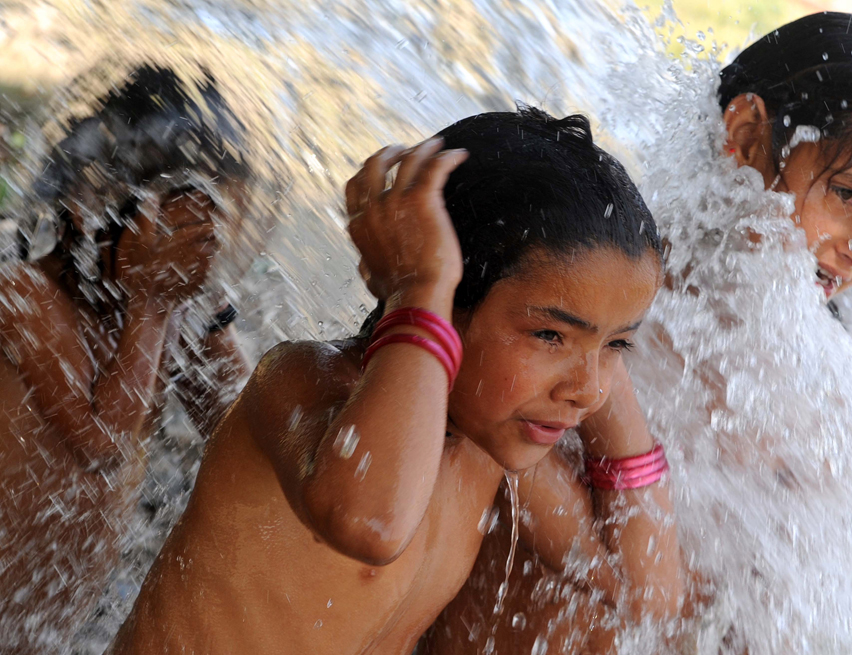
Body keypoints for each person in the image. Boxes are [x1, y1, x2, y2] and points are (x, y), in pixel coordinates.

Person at [423, 12, 852, 655]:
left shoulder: (836, 381)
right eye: (846, 193)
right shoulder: (593, 308)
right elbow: (636, 588)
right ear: (747, 134)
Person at [108, 107, 685, 654]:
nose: (587, 389)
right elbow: (372, 522)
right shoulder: (302, 382)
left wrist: (599, 336)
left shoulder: (489, 452)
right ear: (444, 299)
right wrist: (417, 288)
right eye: (550, 336)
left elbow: (647, 595)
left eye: (618, 346)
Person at [0, 65, 253, 652]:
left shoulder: (180, 312)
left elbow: (242, 431)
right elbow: (100, 443)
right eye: (187, 224)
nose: (203, 249)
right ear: (90, 200)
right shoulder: (26, 297)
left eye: (212, 232)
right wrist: (152, 301)